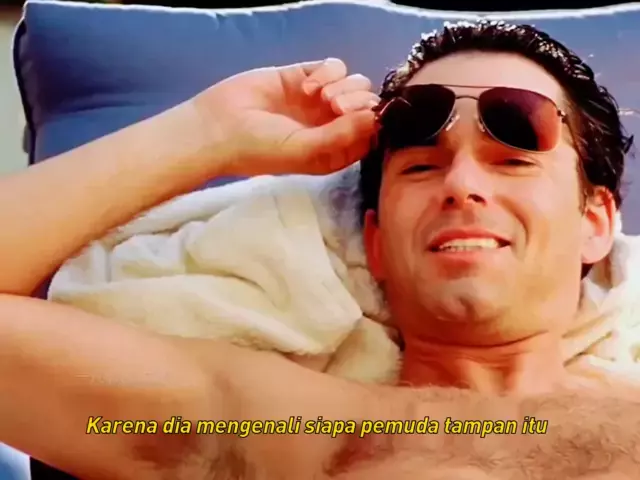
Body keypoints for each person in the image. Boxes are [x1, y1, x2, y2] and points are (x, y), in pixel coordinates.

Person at [0, 20, 638, 480]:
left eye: (513, 161)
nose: (462, 185)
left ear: (596, 222)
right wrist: (209, 131)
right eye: (420, 167)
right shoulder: (272, 428)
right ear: (376, 244)